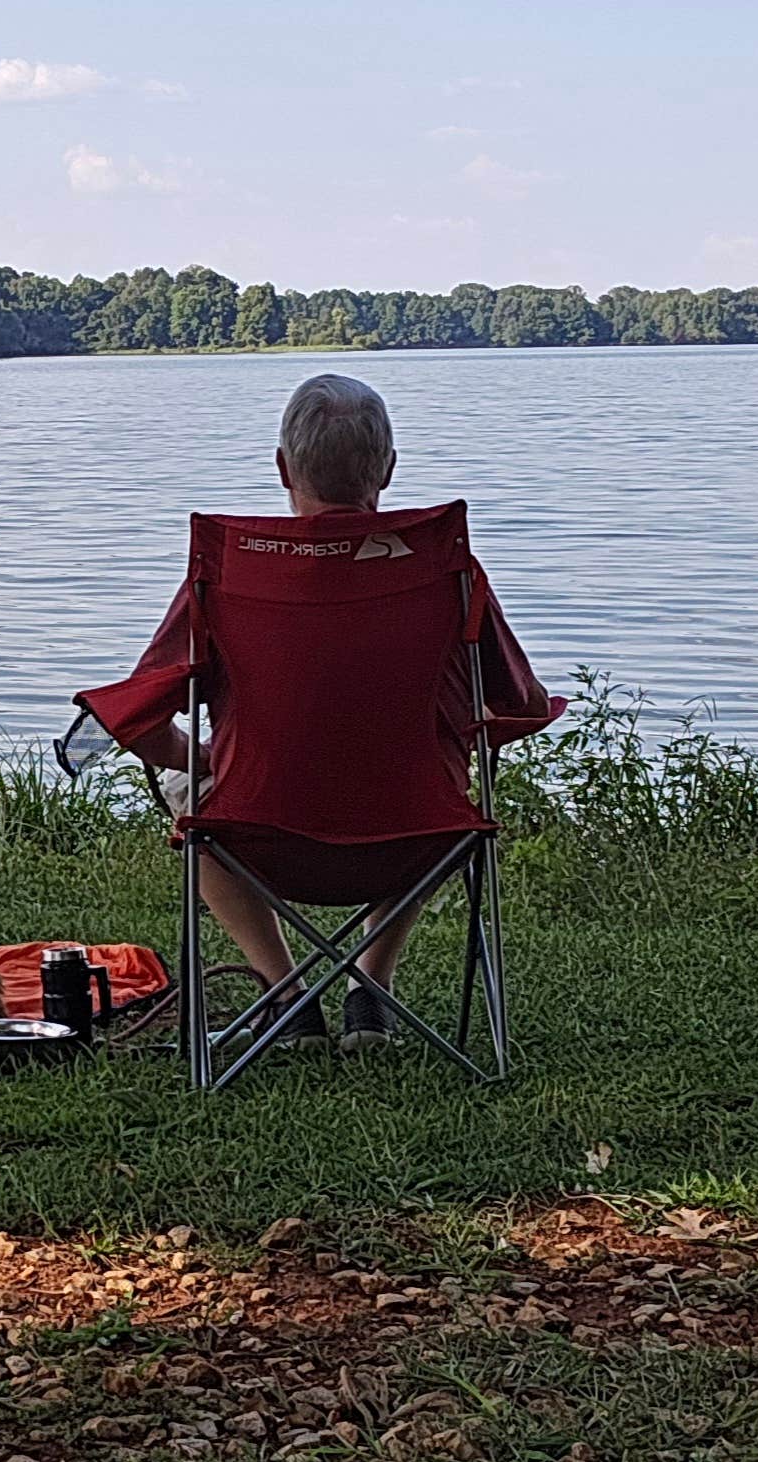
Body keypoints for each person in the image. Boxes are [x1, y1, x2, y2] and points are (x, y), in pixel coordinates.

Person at [107, 372, 551, 1054]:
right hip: (415, 838)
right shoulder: (447, 571)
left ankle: (285, 995)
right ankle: (370, 988)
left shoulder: (228, 576)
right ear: (390, 470)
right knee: (438, 785)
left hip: (256, 838)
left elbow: (135, 720)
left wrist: (201, 759)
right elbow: (518, 705)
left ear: (283, 468)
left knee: (187, 796)